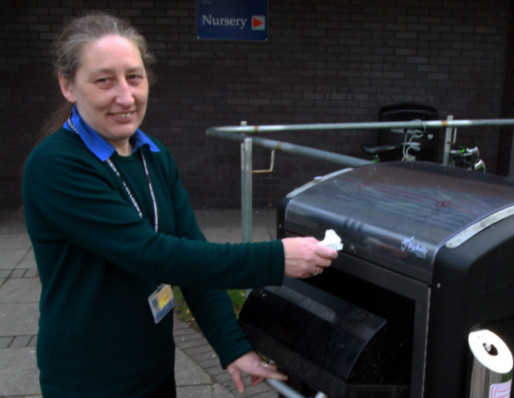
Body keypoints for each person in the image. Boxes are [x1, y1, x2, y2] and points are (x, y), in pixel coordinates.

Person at [21, 11, 338, 398]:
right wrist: (274, 258)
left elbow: (193, 256)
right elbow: (151, 254)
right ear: (68, 86)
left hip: (152, 368)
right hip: (89, 379)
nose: (126, 96)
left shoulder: (153, 156)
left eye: (134, 77)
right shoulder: (56, 165)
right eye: (104, 81)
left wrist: (232, 347)